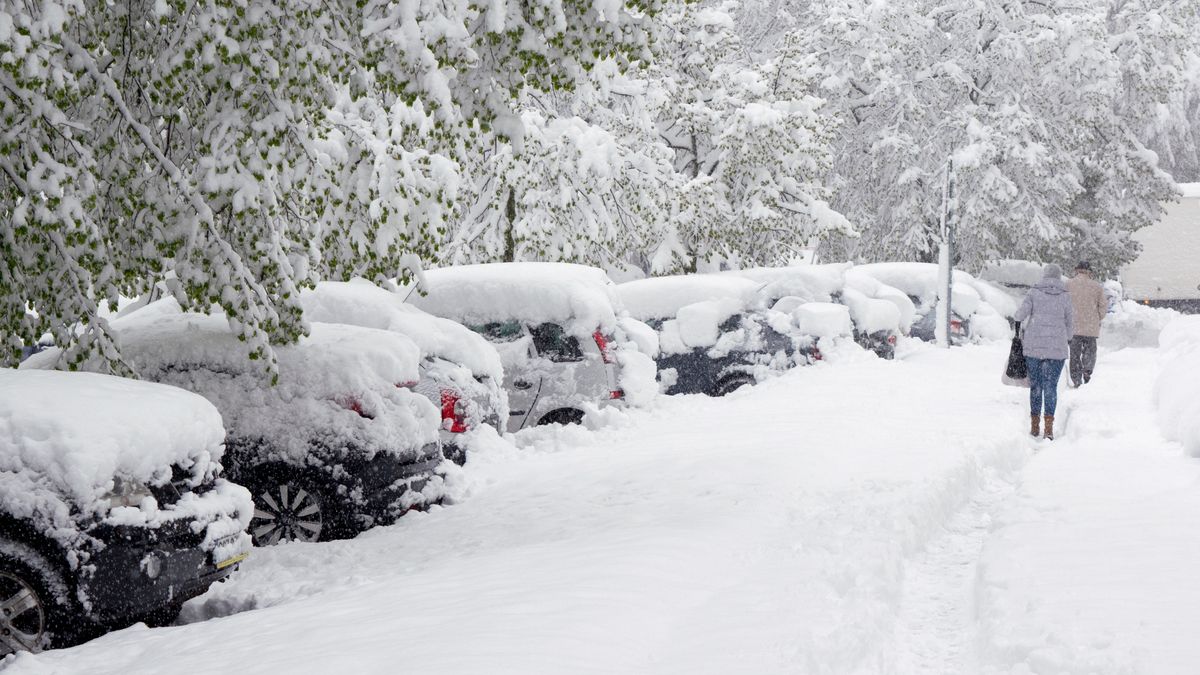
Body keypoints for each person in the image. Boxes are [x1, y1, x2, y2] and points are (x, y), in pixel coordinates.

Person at [1013, 263, 1074, 440]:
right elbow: (1070, 323)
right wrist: (1067, 337)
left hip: (1034, 347)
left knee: (1036, 386)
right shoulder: (1065, 296)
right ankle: (1048, 428)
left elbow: (1019, 315)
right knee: (1051, 387)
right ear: (1059, 276)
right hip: (1056, 349)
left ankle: (1034, 426)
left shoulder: (1034, 292)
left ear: (1044, 275)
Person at [1067, 261, 1107, 387]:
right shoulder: (1097, 287)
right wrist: (1097, 317)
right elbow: (1103, 306)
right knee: (1090, 352)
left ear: (1076, 270)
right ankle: (1087, 371)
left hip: (1073, 327)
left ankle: (1076, 378)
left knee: (1074, 354)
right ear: (1089, 271)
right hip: (1091, 327)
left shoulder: (1068, 284)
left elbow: (1063, 304)